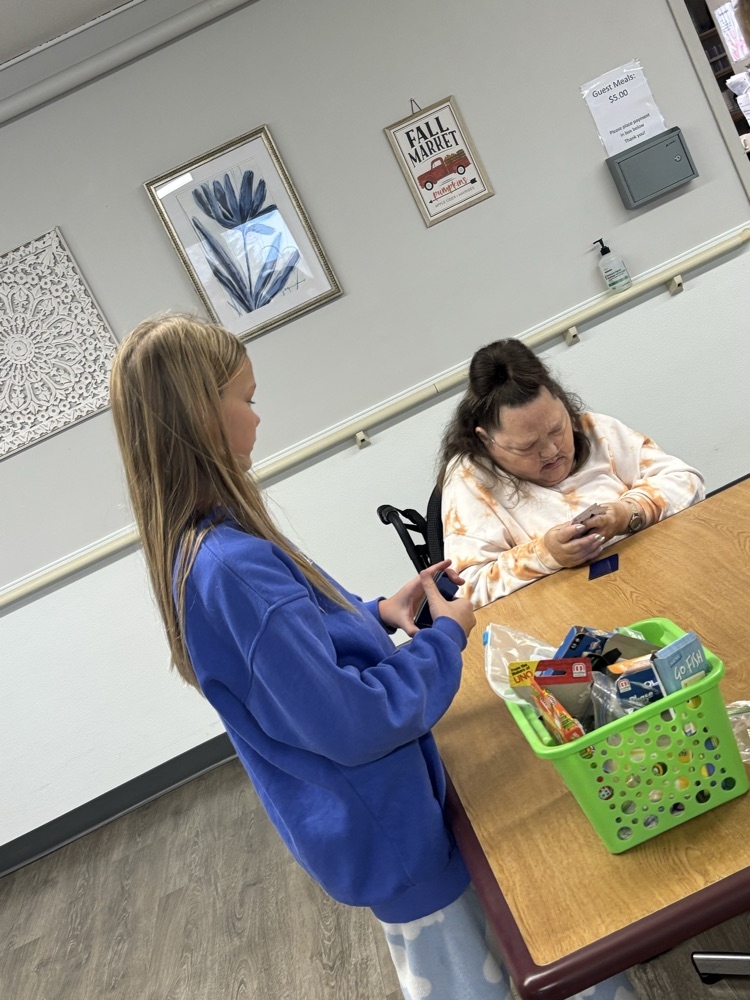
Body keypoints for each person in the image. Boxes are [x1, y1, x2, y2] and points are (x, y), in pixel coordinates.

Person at [110, 314, 637, 1000]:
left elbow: (295, 651)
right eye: (247, 399)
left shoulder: (212, 547)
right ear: (202, 416)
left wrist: (374, 614)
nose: (258, 419)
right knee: (475, 979)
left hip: (391, 817)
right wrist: (446, 635)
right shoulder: (232, 569)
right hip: (394, 833)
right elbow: (353, 720)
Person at [438, 338, 705, 609]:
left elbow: (687, 481)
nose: (551, 451)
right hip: (563, 614)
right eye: (528, 446)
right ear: (486, 440)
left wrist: (628, 513)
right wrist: (544, 555)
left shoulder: (593, 429)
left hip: (655, 582)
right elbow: (465, 591)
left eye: (557, 429)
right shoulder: (470, 479)